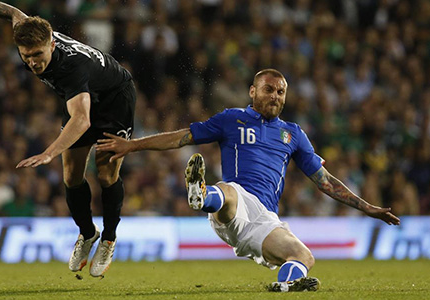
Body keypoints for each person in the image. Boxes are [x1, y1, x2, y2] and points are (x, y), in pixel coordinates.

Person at [96, 69, 401, 292]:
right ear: (253, 92)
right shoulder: (231, 119)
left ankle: (284, 287)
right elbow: (182, 138)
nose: (275, 96)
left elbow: (324, 180)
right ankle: (201, 195)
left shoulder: (293, 134)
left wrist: (367, 207)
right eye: (269, 89)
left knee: (303, 256)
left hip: (264, 220)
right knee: (230, 191)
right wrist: (132, 145)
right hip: (232, 202)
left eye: (280, 92)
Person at [0, 0, 136, 277]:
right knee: (71, 176)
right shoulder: (30, 33)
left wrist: (49, 152)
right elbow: (12, 12)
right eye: (26, 56)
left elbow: (82, 120)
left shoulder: (71, 67)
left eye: (38, 54)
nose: (32, 62)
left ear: (52, 44)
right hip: (82, 99)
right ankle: (88, 234)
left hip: (114, 101)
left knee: (105, 173)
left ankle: (109, 239)